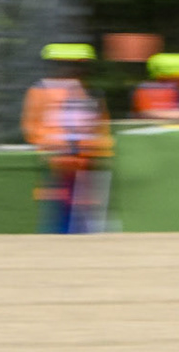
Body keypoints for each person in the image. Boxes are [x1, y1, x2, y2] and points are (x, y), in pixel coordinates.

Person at [22, 43, 112, 233]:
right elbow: (32, 127)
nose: (72, 70)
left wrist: (97, 147)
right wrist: (53, 145)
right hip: (56, 163)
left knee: (87, 216)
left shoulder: (92, 93)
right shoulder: (40, 91)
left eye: (77, 65)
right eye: (65, 64)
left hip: (86, 162)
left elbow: (101, 126)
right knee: (57, 214)